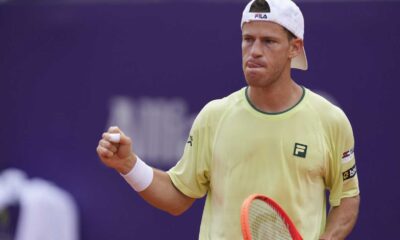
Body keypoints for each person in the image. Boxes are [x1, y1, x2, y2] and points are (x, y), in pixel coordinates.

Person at [96, 0, 360, 239]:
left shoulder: (330, 121)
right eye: (248, 39)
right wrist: (128, 165)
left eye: (268, 41)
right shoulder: (214, 116)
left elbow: (347, 198)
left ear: (295, 47)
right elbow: (177, 198)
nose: (254, 51)